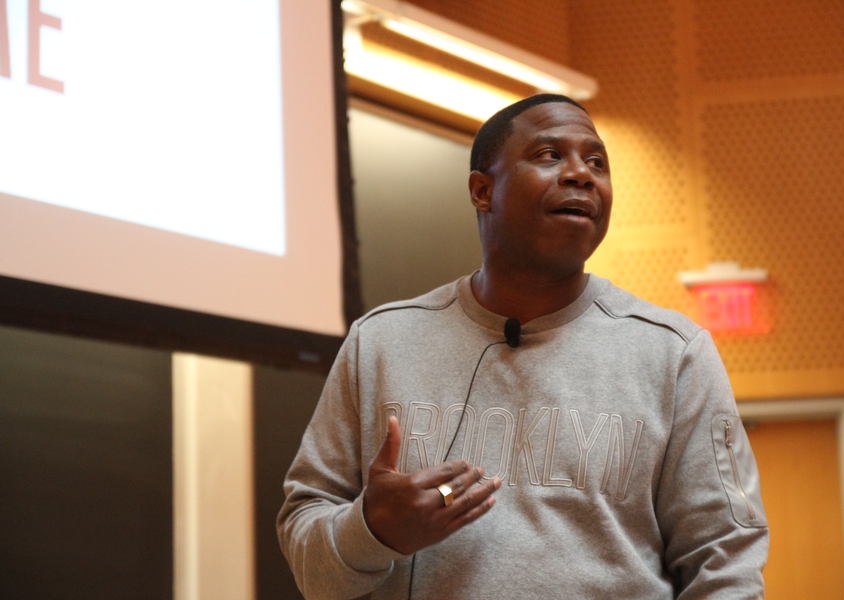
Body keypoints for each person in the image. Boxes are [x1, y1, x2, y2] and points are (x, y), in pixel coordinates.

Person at [278, 94, 769, 599]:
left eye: (596, 162)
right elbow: (308, 553)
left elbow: (726, 562)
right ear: (482, 190)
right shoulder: (381, 342)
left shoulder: (675, 353)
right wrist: (370, 532)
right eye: (550, 155)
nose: (581, 175)